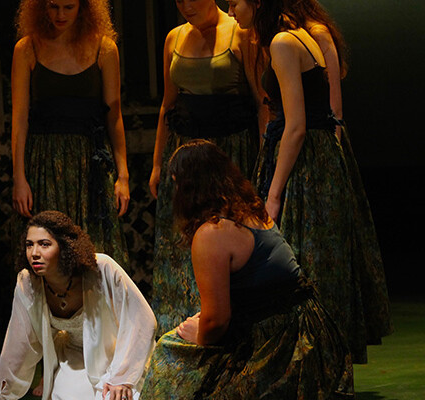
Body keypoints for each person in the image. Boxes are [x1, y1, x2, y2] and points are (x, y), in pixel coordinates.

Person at [228, 0, 392, 363]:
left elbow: (297, 126)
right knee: (313, 261)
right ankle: (317, 363)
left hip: (305, 168)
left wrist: (273, 194)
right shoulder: (296, 35)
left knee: (306, 263)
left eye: (234, 2)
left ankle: (316, 363)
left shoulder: (284, 43)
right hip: (314, 161)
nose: (230, 10)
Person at [142, 140, 353, 399]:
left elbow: (217, 321)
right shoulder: (251, 209)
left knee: (168, 352)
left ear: (188, 188)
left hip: (281, 344)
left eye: (176, 184)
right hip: (311, 330)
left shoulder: (212, 232)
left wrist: (199, 334)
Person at [148, 0, 268, 336]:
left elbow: (261, 103)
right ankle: (181, 330)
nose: (185, 5)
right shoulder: (174, 37)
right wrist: (158, 163)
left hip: (228, 154)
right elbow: (168, 105)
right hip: (185, 159)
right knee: (182, 244)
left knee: (223, 239)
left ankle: (223, 328)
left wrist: (263, 157)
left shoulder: (240, 34)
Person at [10, 0, 130, 266]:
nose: (60, 14)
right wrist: (19, 177)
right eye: (53, 6)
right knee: (49, 247)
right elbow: (19, 119)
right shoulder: (28, 48)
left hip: (91, 163)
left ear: (84, 7)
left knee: (95, 248)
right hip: (45, 162)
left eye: (68, 7)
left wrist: (123, 174)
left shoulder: (104, 48)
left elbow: (114, 115)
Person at [0, 211, 156, 400]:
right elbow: (19, 340)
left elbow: (142, 320)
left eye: (44, 244)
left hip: (118, 355)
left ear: (65, 247)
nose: (35, 253)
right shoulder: (28, 282)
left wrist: (123, 377)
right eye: (30, 245)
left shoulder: (101, 269)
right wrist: (2, 393)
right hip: (75, 357)